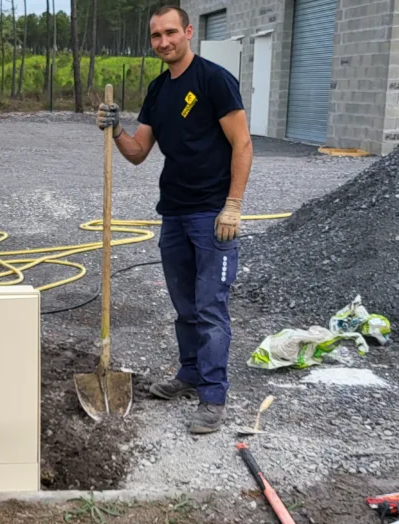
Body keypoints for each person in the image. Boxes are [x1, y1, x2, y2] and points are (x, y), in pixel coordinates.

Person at [96, 5, 253, 435]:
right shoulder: (158, 89)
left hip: (212, 216)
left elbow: (242, 144)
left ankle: (213, 397)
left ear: (187, 32)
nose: (163, 42)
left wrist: (233, 204)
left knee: (210, 308)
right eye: (155, 36)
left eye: (170, 33)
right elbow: (138, 153)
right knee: (185, 307)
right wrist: (115, 129)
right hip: (175, 213)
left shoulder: (214, 80)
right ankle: (188, 374)